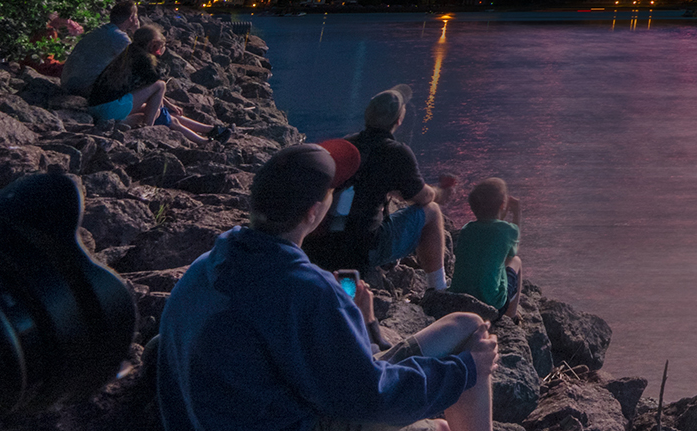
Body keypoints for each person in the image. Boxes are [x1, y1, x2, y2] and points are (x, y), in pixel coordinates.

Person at [159, 143, 496, 431]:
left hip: (247, 408)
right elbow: (368, 397)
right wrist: (465, 370)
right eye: (331, 190)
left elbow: (325, 366)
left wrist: (366, 324)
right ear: (313, 213)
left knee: (466, 324)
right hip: (292, 419)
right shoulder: (304, 289)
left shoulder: (208, 265)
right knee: (459, 382)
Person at [338, 88, 458, 288]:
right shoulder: (396, 153)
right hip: (367, 248)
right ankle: (438, 288)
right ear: (399, 120)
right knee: (432, 211)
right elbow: (423, 197)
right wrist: (441, 194)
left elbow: (369, 183)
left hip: (331, 242)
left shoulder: (347, 144)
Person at [88, 24, 228, 141]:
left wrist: (168, 104)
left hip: (98, 107)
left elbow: (148, 89)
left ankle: (207, 133)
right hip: (109, 108)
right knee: (161, 86)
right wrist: (167, 104)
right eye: (161, 46)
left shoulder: (129, 53)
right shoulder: (143, 59)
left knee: (155, 110)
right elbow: (157, 85)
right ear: (153, 45)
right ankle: (147, 130)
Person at [448, 179, 524, 316]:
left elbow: (493, 230)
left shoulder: (467, 229)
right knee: (516, 261)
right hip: (491, 305)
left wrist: (500, 211)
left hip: (458, 301)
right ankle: (510, 314)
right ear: (502, 205)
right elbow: (512, 251)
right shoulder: (507, 230)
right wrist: (517, 213)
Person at [59, 0, 137, 100]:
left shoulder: (101, 30)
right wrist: (136, 31)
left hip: (67, 82)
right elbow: (139, 60)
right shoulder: (120, 38)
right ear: (131, 18)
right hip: (82, 88)